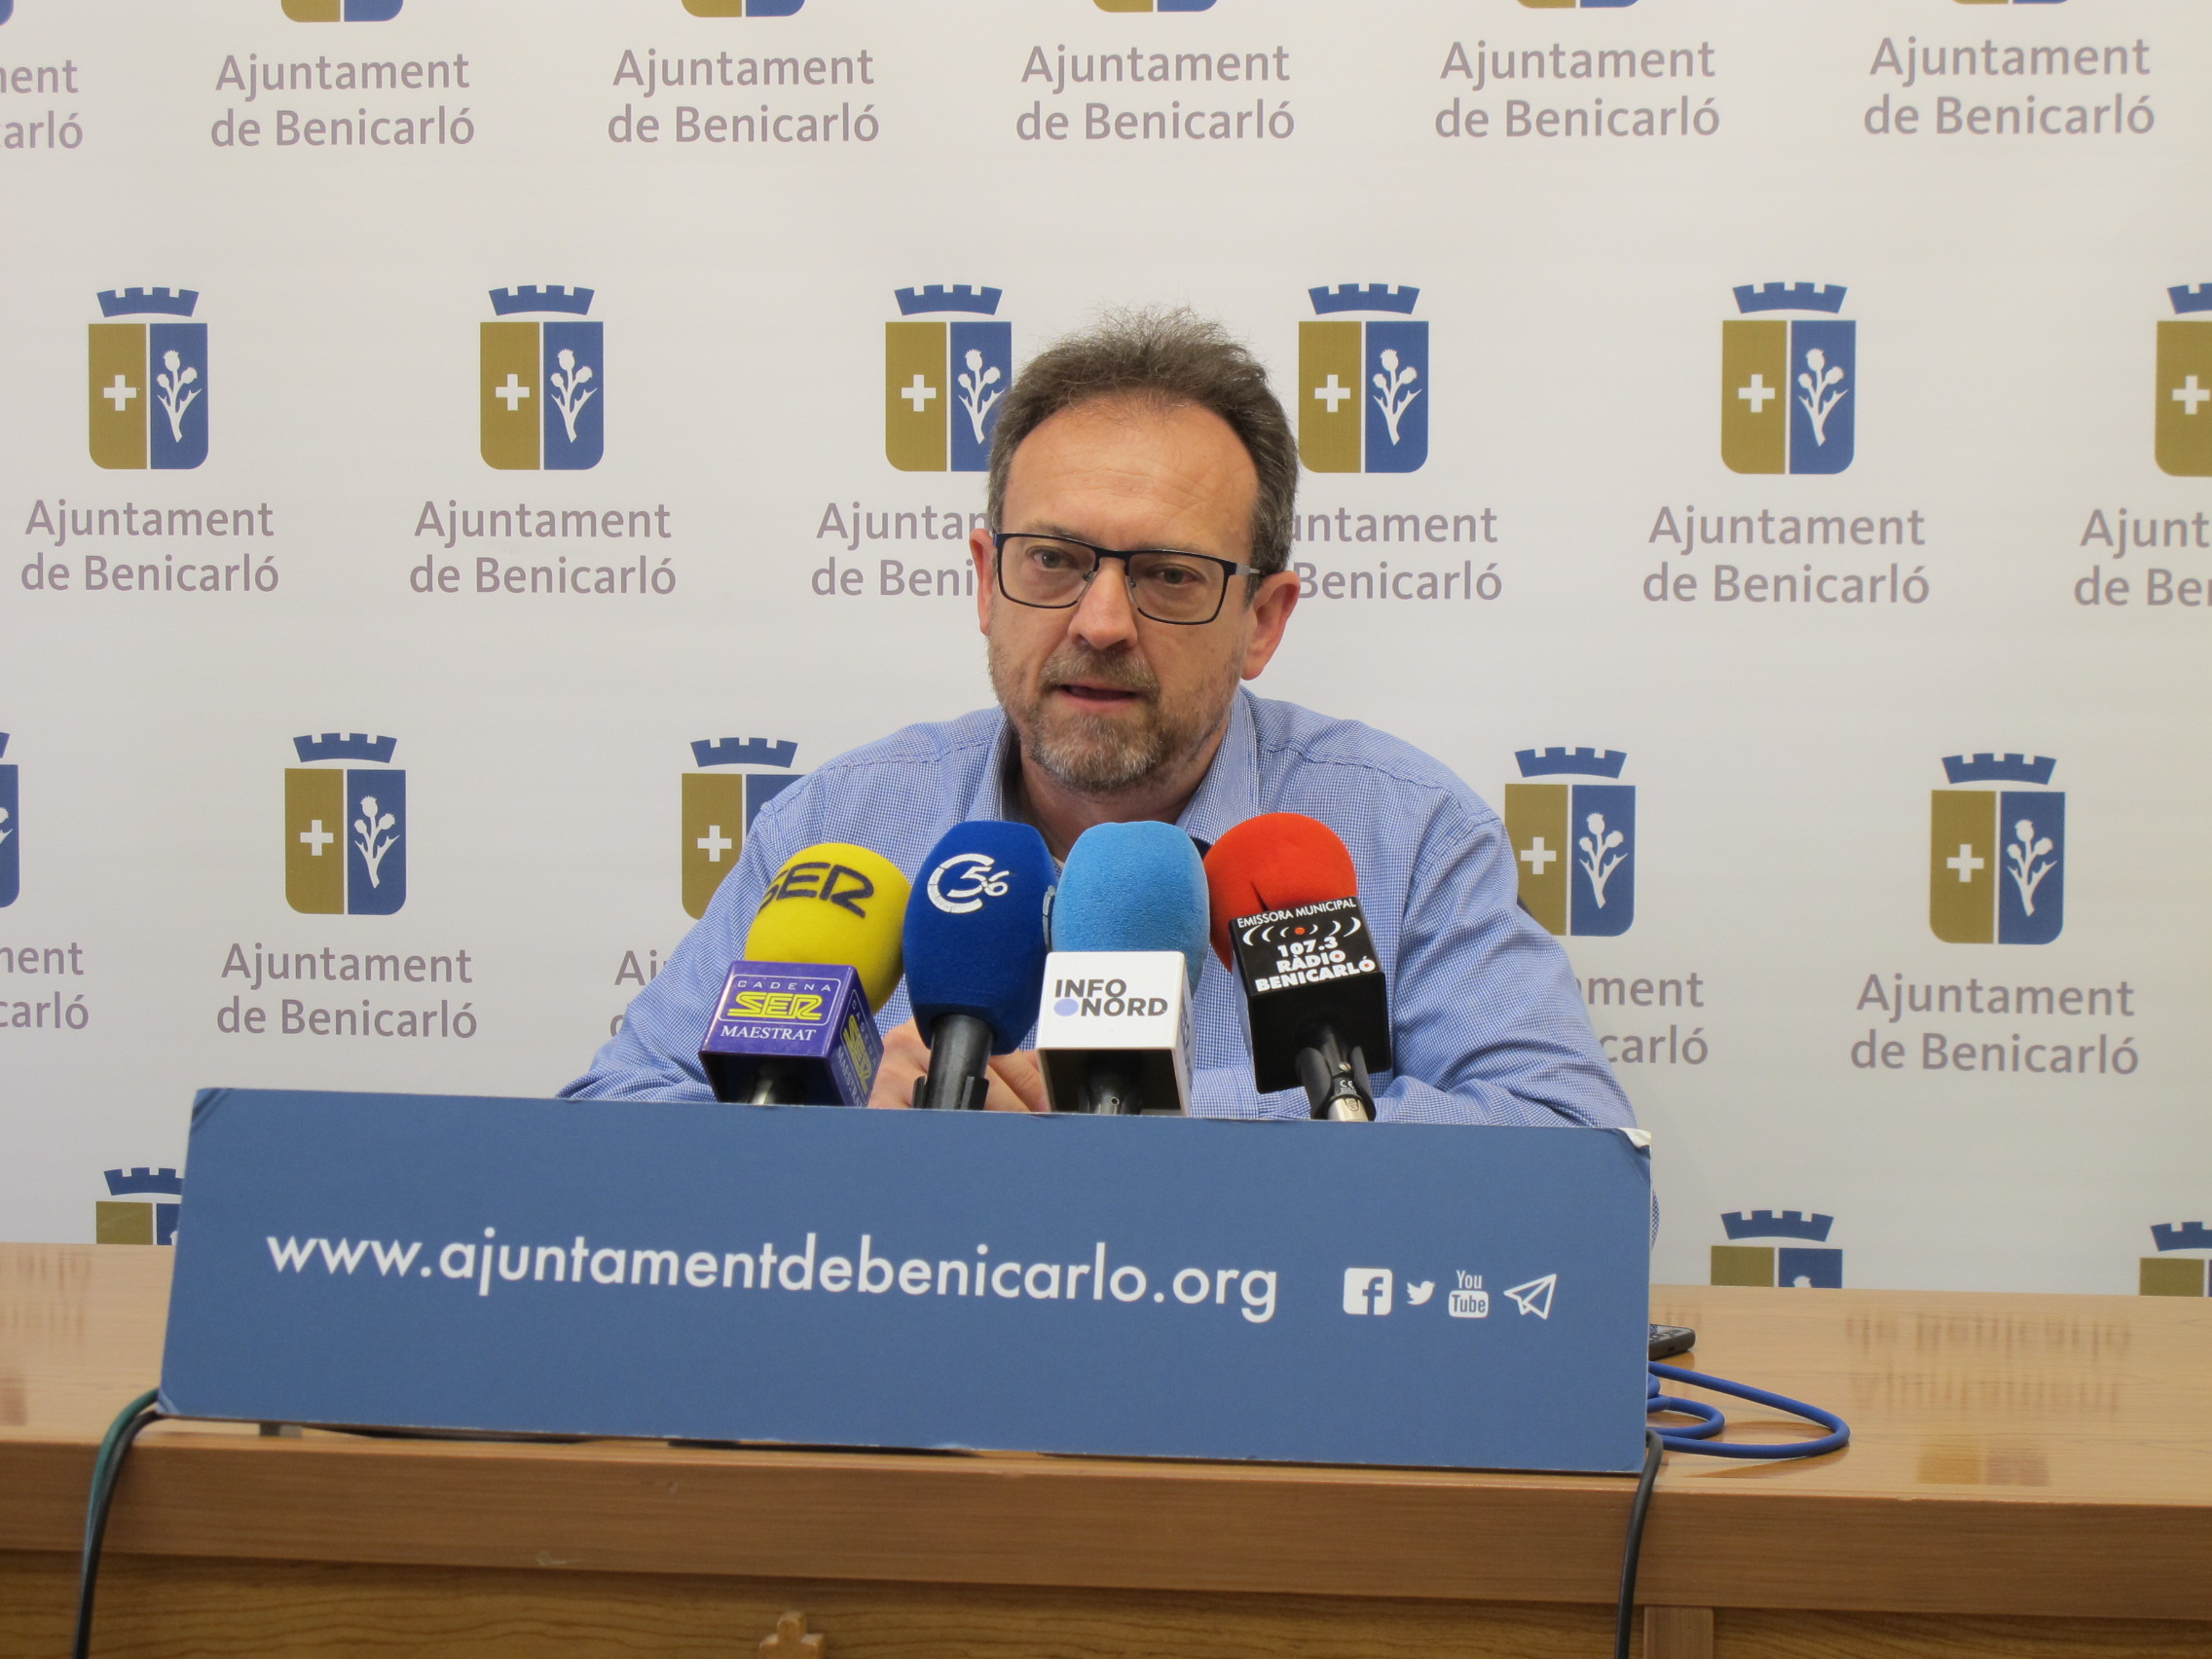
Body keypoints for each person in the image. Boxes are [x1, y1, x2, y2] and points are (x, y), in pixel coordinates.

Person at [564, 309, 1632, 1128]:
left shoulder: (1406, 833)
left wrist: (1158, 1125)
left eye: (1169, 574)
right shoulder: (840, 824)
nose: (1102, 622)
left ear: (1262, 621)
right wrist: (830, 1125)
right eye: (1053, 560)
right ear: (985, 582)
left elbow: (1574, 1159)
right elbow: (607, 1125)